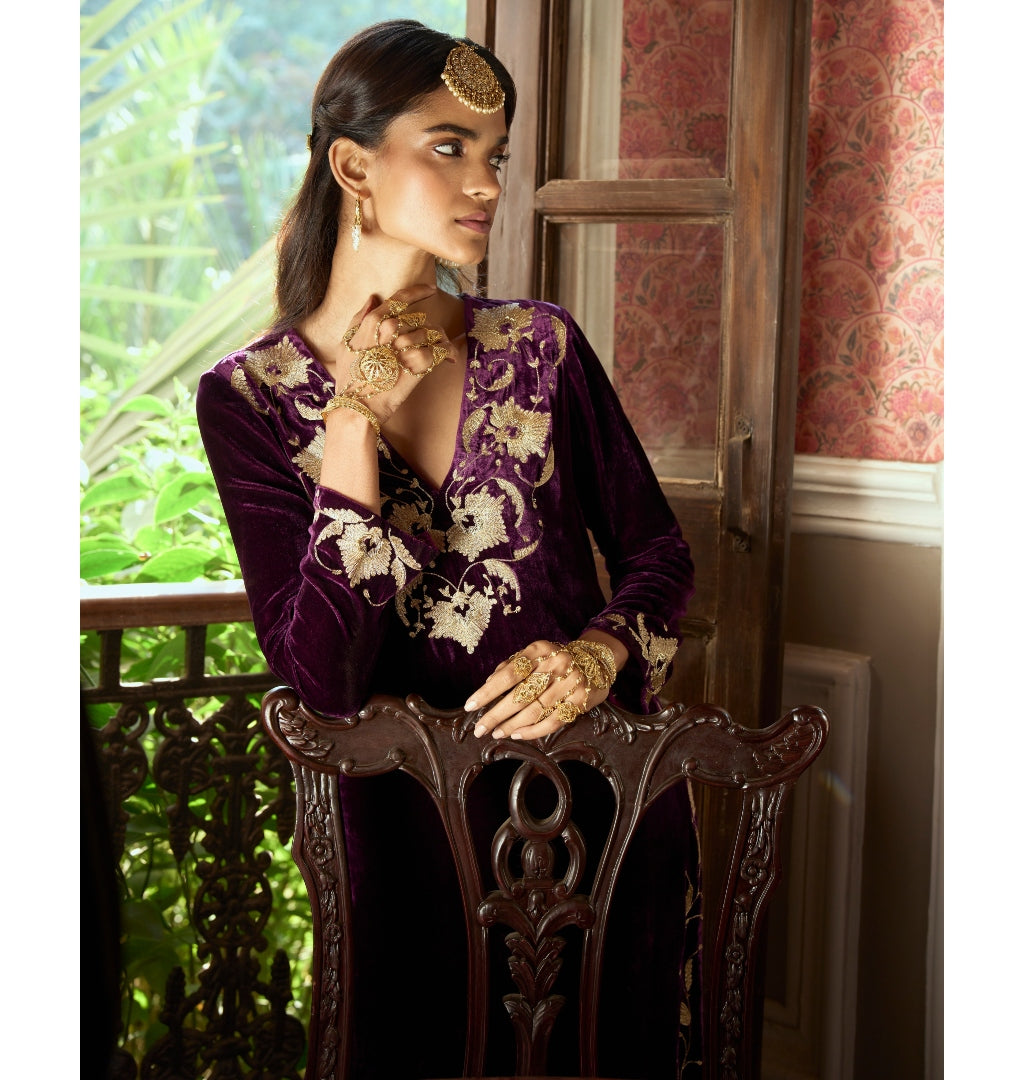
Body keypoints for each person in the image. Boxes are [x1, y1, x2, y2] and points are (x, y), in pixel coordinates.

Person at [197, 20, 699, 1079]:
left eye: (496, 154)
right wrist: (351, 425)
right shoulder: (250, 398)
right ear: (353, 168)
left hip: (599, 809)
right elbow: (321, 678)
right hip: (407, 840)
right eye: (448, 146)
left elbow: (659, 556)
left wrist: (599, 653)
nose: (486, 182)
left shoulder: (542, 346)